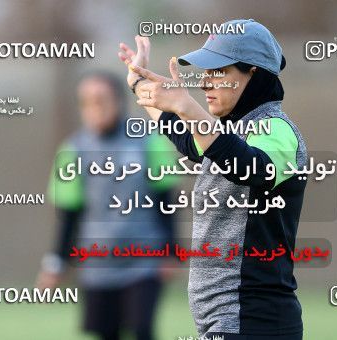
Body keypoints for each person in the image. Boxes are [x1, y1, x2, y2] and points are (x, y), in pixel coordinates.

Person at [119, 19, 307, 339]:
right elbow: (187, 137)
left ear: (254, 74)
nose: (205, 83)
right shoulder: (226, 132)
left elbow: (248, 167)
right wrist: (139, 82)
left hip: (254, 320)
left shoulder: (276, 128)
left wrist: (188, 108)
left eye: (218, 72)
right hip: (225, 320)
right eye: (205, 72)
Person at [36, 71, 179, 340]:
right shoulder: (73, 150)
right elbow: (69, 215)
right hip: (97, 264)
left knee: (141, 330)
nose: (94, 109)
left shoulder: (149, 142)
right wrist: (56, 264)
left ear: (119, 102)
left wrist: (171, 251)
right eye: (87, 102)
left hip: (144, 260)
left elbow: (166, 201)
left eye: (101, 100)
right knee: (106, 334)